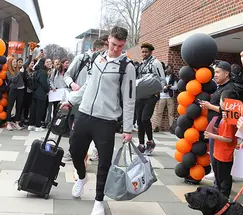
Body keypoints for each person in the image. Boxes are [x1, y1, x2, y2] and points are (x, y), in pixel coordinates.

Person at [61, 26, 135, 215]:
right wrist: (70, 101)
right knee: (75, 151)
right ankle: (82, 176)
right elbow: (87, 86)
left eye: (120, 46)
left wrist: (127, 128)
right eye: (113, 44)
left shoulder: (127, 67)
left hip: (106, 120)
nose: (116, 49)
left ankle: (99, 200)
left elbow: (129, 99)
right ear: (108, 40)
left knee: (104, 163)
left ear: (124, 44)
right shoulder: (96, 59)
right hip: (84, 114)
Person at [204, 90, 239, 198]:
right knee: (219, 178)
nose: (219, 103)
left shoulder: (229, 120)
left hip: (224, 154)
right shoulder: (225, 117)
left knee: (224, 180)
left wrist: (212, 136)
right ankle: (219, 197)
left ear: (226, 103)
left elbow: (228, 138)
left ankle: (223, 200)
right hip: (219, 152)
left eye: (220, 100)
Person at [136, 43, 165, 154]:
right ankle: (141, 143)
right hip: (140, 95)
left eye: (146, 52)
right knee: (139, 121)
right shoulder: (141, 65)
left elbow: (162, 79)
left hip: (151, 96)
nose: (144, 54)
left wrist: (158, 91)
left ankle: (150, 141)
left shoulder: (156, 63)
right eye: (142, 52)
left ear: (151, 52)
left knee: (145, 118)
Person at [154, 64, 178, 132]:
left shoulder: (173, 77)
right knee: (159, 112)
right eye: (169, 68)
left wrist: (170, 87)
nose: (170, 70)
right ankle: (157, 126)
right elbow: (159, 86)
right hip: (162, 97)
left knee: (171, 113)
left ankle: (171, 127)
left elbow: (176, 87)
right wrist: (165, 87)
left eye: (171, 69)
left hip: (170, 97)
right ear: (166, 69)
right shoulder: (162, 77)